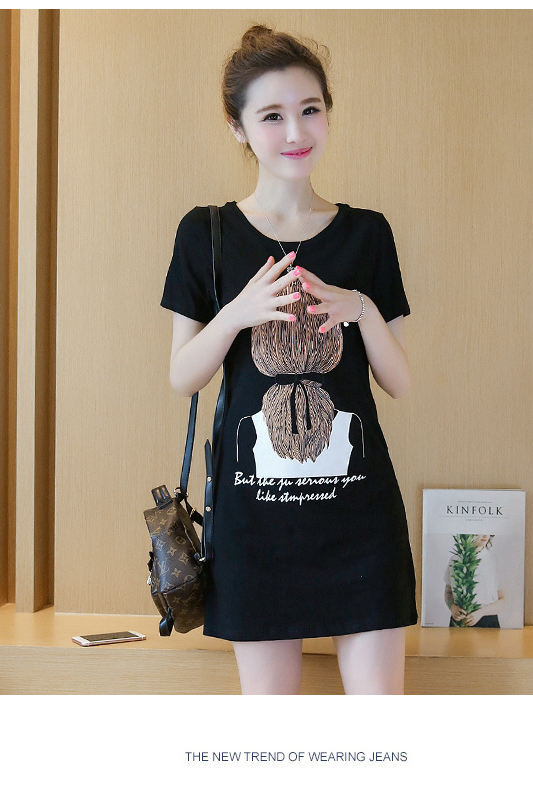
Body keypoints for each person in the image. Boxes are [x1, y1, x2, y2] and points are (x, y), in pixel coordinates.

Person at [161, 24, 417, 694]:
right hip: (255, 529)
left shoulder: (367, 233)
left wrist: (360, 308)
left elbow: (399, 381)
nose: (296, 130)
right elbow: (182, 375)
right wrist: (237, 313)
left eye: (310, 109)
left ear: (328, 112)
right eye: (272, 115)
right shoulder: (206, 233)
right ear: (238, 127)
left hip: (360, 525)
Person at [444, 534, 507, 627]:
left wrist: (481, 612)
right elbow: (448, 592)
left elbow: (503, 600)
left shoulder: (494, 561)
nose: (485, 535)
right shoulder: (455, 560)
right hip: (460, 621)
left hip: (487, 622)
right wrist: (452, 607)